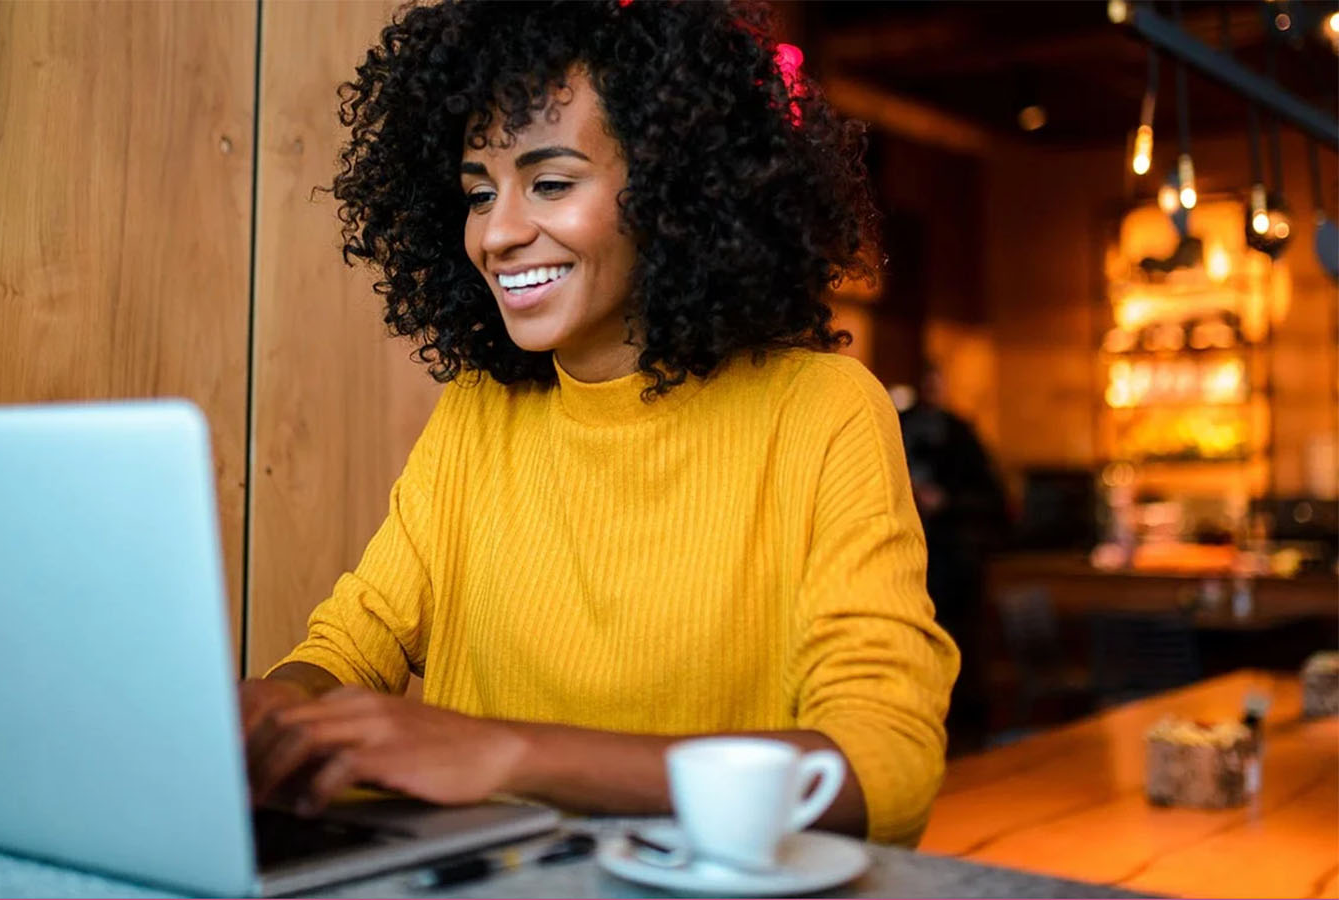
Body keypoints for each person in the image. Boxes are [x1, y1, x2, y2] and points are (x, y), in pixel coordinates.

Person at [240, 0, 958, 847]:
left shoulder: (822, 410)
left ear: (673, 190)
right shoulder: (480, 411)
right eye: (479, 192)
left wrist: (510, 756)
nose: (499, 233)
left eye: (550, 182)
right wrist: (277, 707)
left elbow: (884, 767)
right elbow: (350, 645)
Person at [899, 361, 1008, 752]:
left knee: (956, 646)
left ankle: (957, 732)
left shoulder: (961, 433)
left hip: (952, 562)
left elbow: (994, 500)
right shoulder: (895, 424)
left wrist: (945, 501)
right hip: (903, 563)